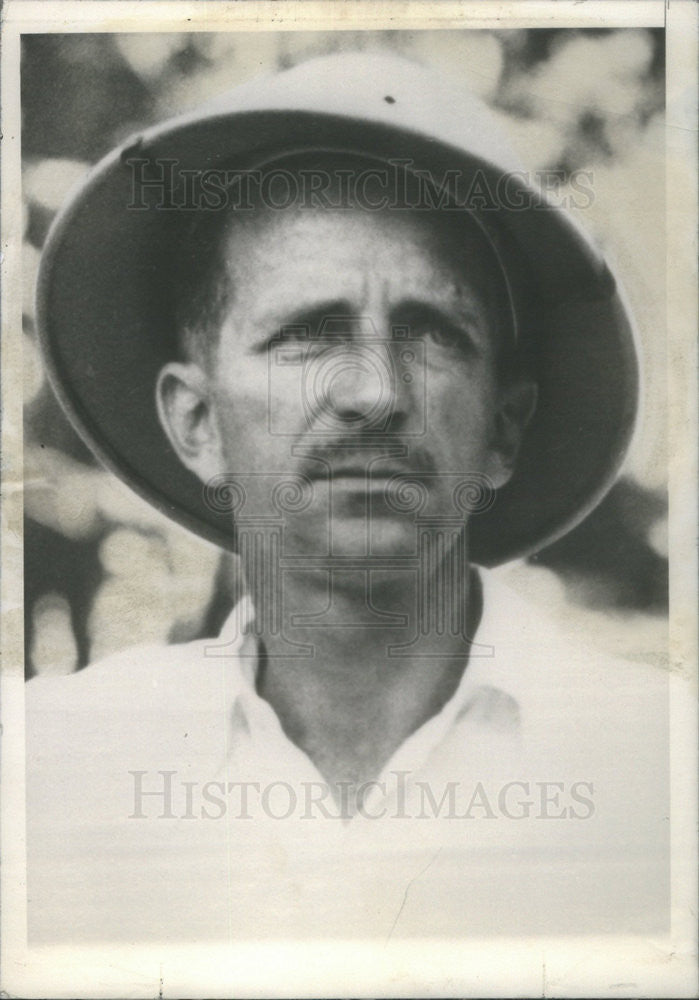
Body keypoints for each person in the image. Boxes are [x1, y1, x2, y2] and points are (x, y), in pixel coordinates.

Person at [27, 51, 668, 944]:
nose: (373, 391)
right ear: (196, 421)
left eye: (433, 334)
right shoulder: (48, 770)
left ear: (502, 429)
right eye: (305, 333)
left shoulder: (663, 771)